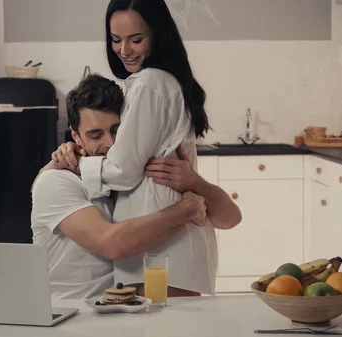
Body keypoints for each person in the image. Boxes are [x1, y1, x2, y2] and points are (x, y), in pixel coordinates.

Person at [51, 0, 241, 296]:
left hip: (163, 248)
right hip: (167, 246)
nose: (124, 50)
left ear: (157, 35)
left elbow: (123, 170)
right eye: (116, 40)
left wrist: (77, 160)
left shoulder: (150, 83)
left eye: (136, 39)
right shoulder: (163, 82)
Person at [32, 74, 240, 300]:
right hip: (73, 315)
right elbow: (111, 243)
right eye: (95, 134)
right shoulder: (57, 181)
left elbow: (231, 218)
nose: (110, 143)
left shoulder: (129, 175)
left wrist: (195, 183)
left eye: (116, 130)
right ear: (76, 136)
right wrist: (187, 209)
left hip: (119, 311)